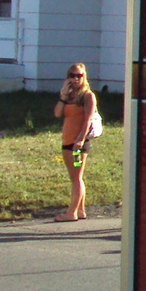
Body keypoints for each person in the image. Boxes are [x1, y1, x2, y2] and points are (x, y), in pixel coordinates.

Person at [53, 63, 96, 222]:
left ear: (85, 77)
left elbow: (88, 119)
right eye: (73, 75)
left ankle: (71, 213)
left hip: (78, 144)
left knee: (77, 177)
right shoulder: (70, 95)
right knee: (75, 177)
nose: (76, 78)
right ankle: (81, 209)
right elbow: (58, 113)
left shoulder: (87, 96)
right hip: (67, 141)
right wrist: (63, 95)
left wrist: (80, 140)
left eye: (80, 75)